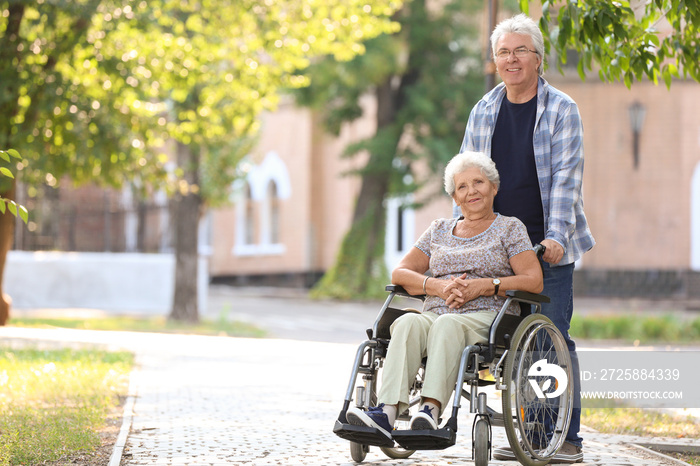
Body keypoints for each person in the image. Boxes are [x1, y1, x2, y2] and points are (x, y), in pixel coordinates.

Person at [458, 14, 595, 464]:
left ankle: (563, 437)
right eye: (503, 52)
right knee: (500, 340)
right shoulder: (483, 110)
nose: (511, 59)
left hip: (544, 245)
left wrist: (555, 236)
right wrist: (456, 242)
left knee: (550, 337)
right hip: (495, 245)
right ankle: (527, 428)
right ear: (494, 60)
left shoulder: (561, 110)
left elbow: (564, 181)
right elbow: (466, 178)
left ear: (538, 58)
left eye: (520, 51)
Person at [346, 151, 543, 441]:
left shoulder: (510, 228)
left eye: (478, 182)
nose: (471, 191)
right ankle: (386, 413)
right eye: (462, 187)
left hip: (488, 317)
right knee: (408, 323)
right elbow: (400, 273)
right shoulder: (438, 229)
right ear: (454, 197)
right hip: (436, 311)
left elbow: (533, 280)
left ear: (494, 187)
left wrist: (485, 285)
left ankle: (430, 409)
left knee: (448, 324)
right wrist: (436, 287)